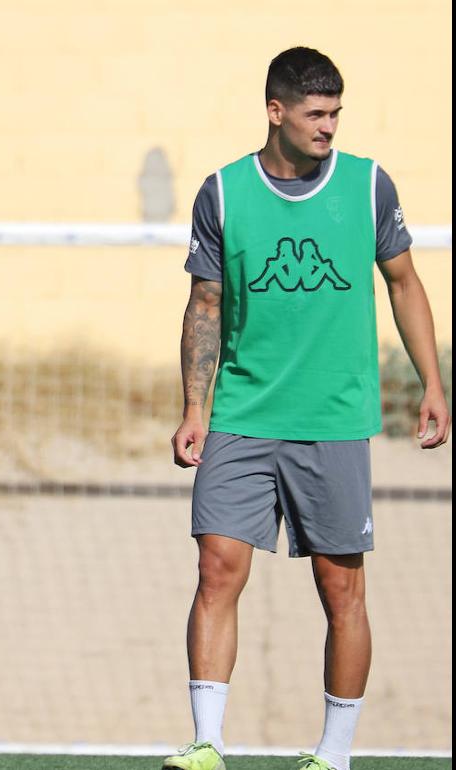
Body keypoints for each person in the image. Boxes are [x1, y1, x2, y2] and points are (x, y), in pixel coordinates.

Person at [165, 47, 449, 770]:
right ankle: (207, 743)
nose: (329, 127)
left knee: (341, 586)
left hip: (334, 421)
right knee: (217, 567)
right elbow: (204, 304)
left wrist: (433, 385)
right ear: (277, 111)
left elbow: (405, 285)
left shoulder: (369, 185)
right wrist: (195, 407)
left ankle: (335, 753)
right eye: (316, 114)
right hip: (241, 414)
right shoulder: (223, 192)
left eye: (335, 114)